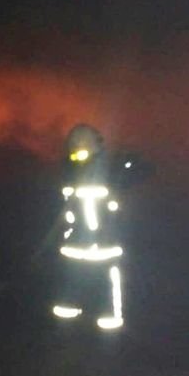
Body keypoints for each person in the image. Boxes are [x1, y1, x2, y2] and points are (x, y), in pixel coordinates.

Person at [52, 124, 126, 330]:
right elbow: (66, 209)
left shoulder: (107, 171)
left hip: (103, 247)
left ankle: (107, 330)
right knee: (72, 290)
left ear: (96, 144)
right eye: (74, 141)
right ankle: (66, 328)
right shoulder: (70, 170)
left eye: (82, 140)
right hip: (75, 247)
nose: (77, 145)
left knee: (104, 290)